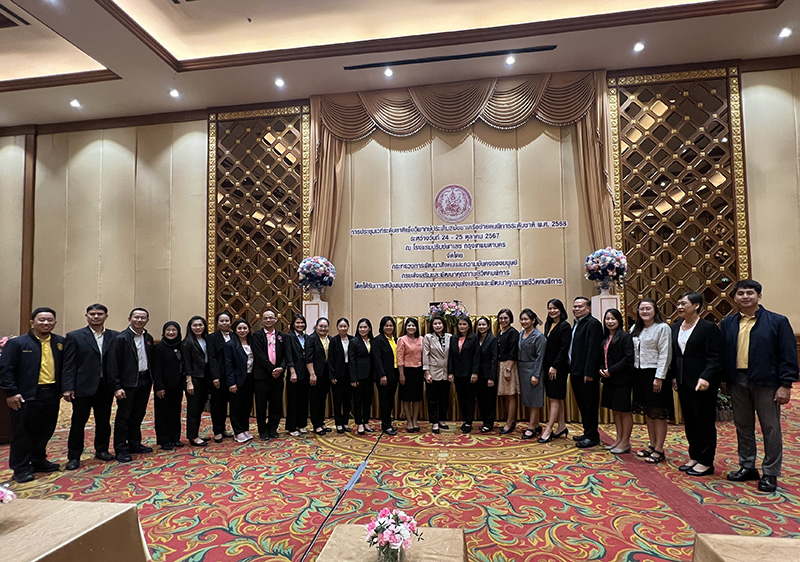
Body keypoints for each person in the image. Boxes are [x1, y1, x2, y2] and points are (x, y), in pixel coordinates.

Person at [721, 279, 798, 492]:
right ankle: (747, 466)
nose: (745, 297)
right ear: (735, 297)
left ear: (759, 296)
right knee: (743, 426)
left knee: (770, 428)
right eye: (741, 294)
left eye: (750, 293)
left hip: (767, 383)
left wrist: (785, 384)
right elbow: (724, 353)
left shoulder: (777, 321)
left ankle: (771, 473)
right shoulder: (728, 323)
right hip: (738, 382)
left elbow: (788, 355)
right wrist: (725, 380)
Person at [0, 307, 64, 483]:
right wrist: (11, 392)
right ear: (32, 322)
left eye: (50, 320)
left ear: (55, 322)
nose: (46, 323)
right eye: (41, 320)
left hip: (51, 393)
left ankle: (38, 460)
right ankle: (20, 468)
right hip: (25, 395)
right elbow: (5, 369)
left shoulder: (59, 342)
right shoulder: (18, 343)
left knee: (45, 429)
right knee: (22, 433)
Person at [671, 292, 723, 477]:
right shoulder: (676, 327)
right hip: (684, 382)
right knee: (690, 421)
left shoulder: (708, 328)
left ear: (696, 305)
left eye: (683, 303)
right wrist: (675, 377)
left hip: (703, 383)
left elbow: (715, 357)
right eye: (678, 304)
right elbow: (677, 356)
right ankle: (694, 455)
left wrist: (707, 377)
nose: (679, 307)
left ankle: (706, 461)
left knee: (704, 421)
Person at [62, 303, 118, 470]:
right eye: (92, 314)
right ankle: (74, 456)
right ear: (86, 316)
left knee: (103, 421)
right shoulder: (75, 336)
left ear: (106, 316)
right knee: (78, 422)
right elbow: (69, 364)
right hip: (82, 387)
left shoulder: (114, 336)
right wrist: (68, 386)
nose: (96, 317)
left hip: (105, 387)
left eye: (99, 314)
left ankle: (101, 450)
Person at [107, 307, 154, 463]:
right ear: (129, 318)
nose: (139, 320)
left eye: (143, 318)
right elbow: (113, 365)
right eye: (137, 317)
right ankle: (121, 449)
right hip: (127, 383)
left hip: (144, 380)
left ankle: (135, 443)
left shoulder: (148, 337)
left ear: (147, 320)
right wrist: (117, 386)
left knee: (138, 414)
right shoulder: (121, 338)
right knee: (123, 417)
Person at [631, 298, 673, 464]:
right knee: (649, 412)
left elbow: (665, 353)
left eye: (648, 308)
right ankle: (652, 444)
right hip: (639, 373)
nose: (645, 312)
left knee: (658, 413)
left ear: (655, 310)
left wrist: (659, 377)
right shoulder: (636, 328)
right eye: (641, 309)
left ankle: (659, 449)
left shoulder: (662, 328)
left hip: (655, 374)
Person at [599, 308, 634, 454]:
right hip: (609, 379)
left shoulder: (625, 336)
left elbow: (628, 358)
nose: (610, 321)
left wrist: (611, 370)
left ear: (619, 320)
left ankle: (625, 442)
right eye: (607, 319)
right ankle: (619, 439)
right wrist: (601, 369)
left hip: (622, 379)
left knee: (624, 411)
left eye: (613, 318)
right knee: (616, 410)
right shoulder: (605, 338)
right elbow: (602, 357)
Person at [570, 297, 603, 448]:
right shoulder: (577, 324)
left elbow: (593, 350)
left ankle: (592, 436)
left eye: (580, 307)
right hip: (576, 371)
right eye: (575, 306)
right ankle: (587, 432)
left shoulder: (593, 324)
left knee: (590, 405)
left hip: (587, 373)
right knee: (583, 405)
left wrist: (589, 372)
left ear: (588, 308)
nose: (576, 309)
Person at [252, 309, 286, 440]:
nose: (268, 320)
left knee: (276, 404)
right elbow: (259, 356)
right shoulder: (257, 336)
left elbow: (285, 356)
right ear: (261, 320)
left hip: (278, 377)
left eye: (271, 318)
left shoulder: (282, 336)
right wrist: (272, 369)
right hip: (262, 377)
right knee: (261, 405)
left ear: (276, 319)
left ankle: (273, 428)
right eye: (265, 318)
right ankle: (262, 430)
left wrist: (281, 368)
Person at [540, 299, 571, 442]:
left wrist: (555, 366)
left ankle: (548, 429)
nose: (552, 311)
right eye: (550, 308)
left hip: (558, 368)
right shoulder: (548, 324)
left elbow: (564, 348)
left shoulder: (565, 326)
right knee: (557, 398)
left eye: (555, 308)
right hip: (548, 366)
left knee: (554, 398)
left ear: (561, 309)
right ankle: (561, 426)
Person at [151, 321, 185, 451]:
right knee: (162, 414)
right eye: (168, 330)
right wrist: (159, 387)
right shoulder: (159, 348)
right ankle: (164, 440)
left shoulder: (181, 346)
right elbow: (157, 369)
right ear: (164, 332)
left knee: (175, 412)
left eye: (174, 330)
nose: (171, 332)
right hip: (163, 387)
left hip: (177, 386)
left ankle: (175, 438)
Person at [183, 316, 212, 447]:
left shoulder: (206, 340)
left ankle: (196, 433)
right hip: (194, 378)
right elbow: (187, 363)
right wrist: (189, 381)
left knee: (200, 407)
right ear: (190, 327)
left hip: (205, 376)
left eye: (200, 325)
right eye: (195, 325)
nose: (198, 327)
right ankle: (192, 436)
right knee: (193, 408)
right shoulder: (187, 342)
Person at [225, 319, 256, 443]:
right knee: (236, 407)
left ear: (249, 330)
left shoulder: (252, 343)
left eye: (245, 328)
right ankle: (237, 431)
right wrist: (231, 382)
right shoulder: (230, 344)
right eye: (239, 328)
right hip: (237, 380)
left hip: (250, 378)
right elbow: (229, 365)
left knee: (246, 405)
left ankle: (245, 429)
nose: (242, 331)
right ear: (235, 330)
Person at [206, 311, 235, 442]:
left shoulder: (235, 336)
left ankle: (224, 428)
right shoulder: (212, 337)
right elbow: (211, 358)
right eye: (221, 321)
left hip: (233, 376)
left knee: (229, 404)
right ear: (217, 323)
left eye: (227, 320)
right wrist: (215, 376)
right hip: (218, 376)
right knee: (218, 404)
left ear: (231, 322)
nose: (224, 323)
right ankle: (217, 430)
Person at [448, 317, 480, 433]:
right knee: (461, 398)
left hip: (470, 373)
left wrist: (475, 372)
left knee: (470, 398)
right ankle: (465, 419)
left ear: (469, 326)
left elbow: (477, 356)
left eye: (464, 324)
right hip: (457, 374)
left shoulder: (474, 338)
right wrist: (450, 372)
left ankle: (469, 421)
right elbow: (451, 356)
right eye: (460, 324)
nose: (461, 326)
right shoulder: (453, 338)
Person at [518, 309, 546, 440]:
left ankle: (531, 427)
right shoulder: (521, 333)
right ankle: (535, 423)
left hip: (533, 370)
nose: (523, 322)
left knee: (534, 400)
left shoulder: (538, 336)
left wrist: (536, 374)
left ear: (533, 320)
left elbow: (540, 357)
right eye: (522, 319)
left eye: (526, 319)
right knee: (528, 399)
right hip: (522, 370)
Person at [422, 315, 452, 434]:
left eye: (440, 323)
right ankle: (434, 422)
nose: (438, 326)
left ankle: (441, 419)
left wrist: (451, 372)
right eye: (435, 324)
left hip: (446, 373)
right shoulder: (428, 337)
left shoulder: (450, 337)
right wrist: (427, 372)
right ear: (432, 326)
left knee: (444, 398)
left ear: (444, 325)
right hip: (433, 372)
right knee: (432, 399)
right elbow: (425, 355)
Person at [350, 318, 378, 435]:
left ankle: (366, 421)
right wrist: (353, 378)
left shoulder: (373, 341)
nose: (362, 329)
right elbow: (351, 361)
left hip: (370, 376)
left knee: (367, 400)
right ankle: (359, 423)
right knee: (358, 401)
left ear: (369, 328)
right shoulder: (354, 341)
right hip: (358, 376)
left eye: (365, 327)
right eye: (360, 327)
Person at [306, 317, 333, 435]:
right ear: (316, 327)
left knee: (322, 399)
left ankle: (322, 422)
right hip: (315, 374)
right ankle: (316, 425)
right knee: (315, 400)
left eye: (325, 326)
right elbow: (308, 358)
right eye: (321, 326)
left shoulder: (330, 339)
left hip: (326, 374)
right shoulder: (311, 339)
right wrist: (312, 374)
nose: (323, 328)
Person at [374, 316, 400, 435]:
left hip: (394, 374)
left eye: (391, 325)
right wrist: (382, 375)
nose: (389, 328)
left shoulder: (396, 339)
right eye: (386, 325)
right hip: (384, 376)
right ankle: (386, 426)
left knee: (390, 401)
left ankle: (388, 423)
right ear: (382, 327)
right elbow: (377, 359)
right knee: (384, 401)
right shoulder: (378, 340)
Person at [284, 314, 310, 436]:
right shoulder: (289, 337)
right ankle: (292, 427)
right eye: (298, 323)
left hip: (305, 372)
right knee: (293, 400)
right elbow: (288, 355)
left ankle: (302, 424)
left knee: (303, 399)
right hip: (294, 372)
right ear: (293, 324)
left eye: (302, 323)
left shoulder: (307, 337)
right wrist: (292, 372)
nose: (300, 325)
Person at [397, 317, 424, 433]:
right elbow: (399, 358)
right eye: (409, 325)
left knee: (417, 398)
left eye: (413, 325)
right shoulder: (402, 340)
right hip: (406, 371)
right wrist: (401, 375)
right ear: (405, 327)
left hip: (418, 371)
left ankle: (415, 420)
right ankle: (408, 421)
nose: (411, 327)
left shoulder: (421, 339)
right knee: (407, 399)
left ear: (416, 327)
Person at [329, 317, 355, 433]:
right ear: (337, 328)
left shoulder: (353, 339)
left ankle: (345, 422)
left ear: (348, 327)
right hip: (337, 374)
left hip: (349, 373)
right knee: (337, 400)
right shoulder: (334, 341)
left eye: (345, 326)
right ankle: (338, 423)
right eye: (341, 326)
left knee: (347, 400)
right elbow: (330, 360)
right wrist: (332, 376)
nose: (343, 328)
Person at [496, 309, 519, 435]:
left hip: (508, 365)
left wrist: (508, 369)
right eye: (501, 318)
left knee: (510, 395)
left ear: (510, 319)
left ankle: (509, 424)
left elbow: (513, 352)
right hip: (500, 365)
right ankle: (510, 420)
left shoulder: (513, 333)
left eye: (505, 318)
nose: (503, 320)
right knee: (505, 395)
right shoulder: (500, 333)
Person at [475, 316, 498, 433]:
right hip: (478, 375)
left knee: (489, 401)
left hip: (489, 375)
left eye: (484, 325)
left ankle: (489, 424)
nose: (481, 327)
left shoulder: (492, 339)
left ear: (488, 326)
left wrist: (491, 377)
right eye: (479, 325)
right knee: (481, 400)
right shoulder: (476, 338)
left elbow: (494, 360)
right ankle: (484, 421)